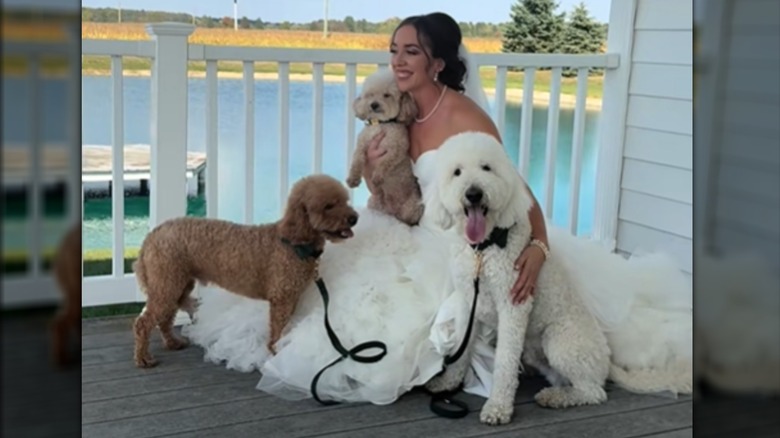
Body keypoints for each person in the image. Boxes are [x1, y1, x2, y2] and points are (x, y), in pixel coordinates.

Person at [183, 12, 692, 405]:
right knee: (324, 285)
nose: (398, 61)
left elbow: (514, 188)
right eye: (393, 51)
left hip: (448, 238)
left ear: (439, 64)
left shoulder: (463, 116)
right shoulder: (398, 110)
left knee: (392, 323)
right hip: (398, 222)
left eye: (411, 53)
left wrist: (537, 246)